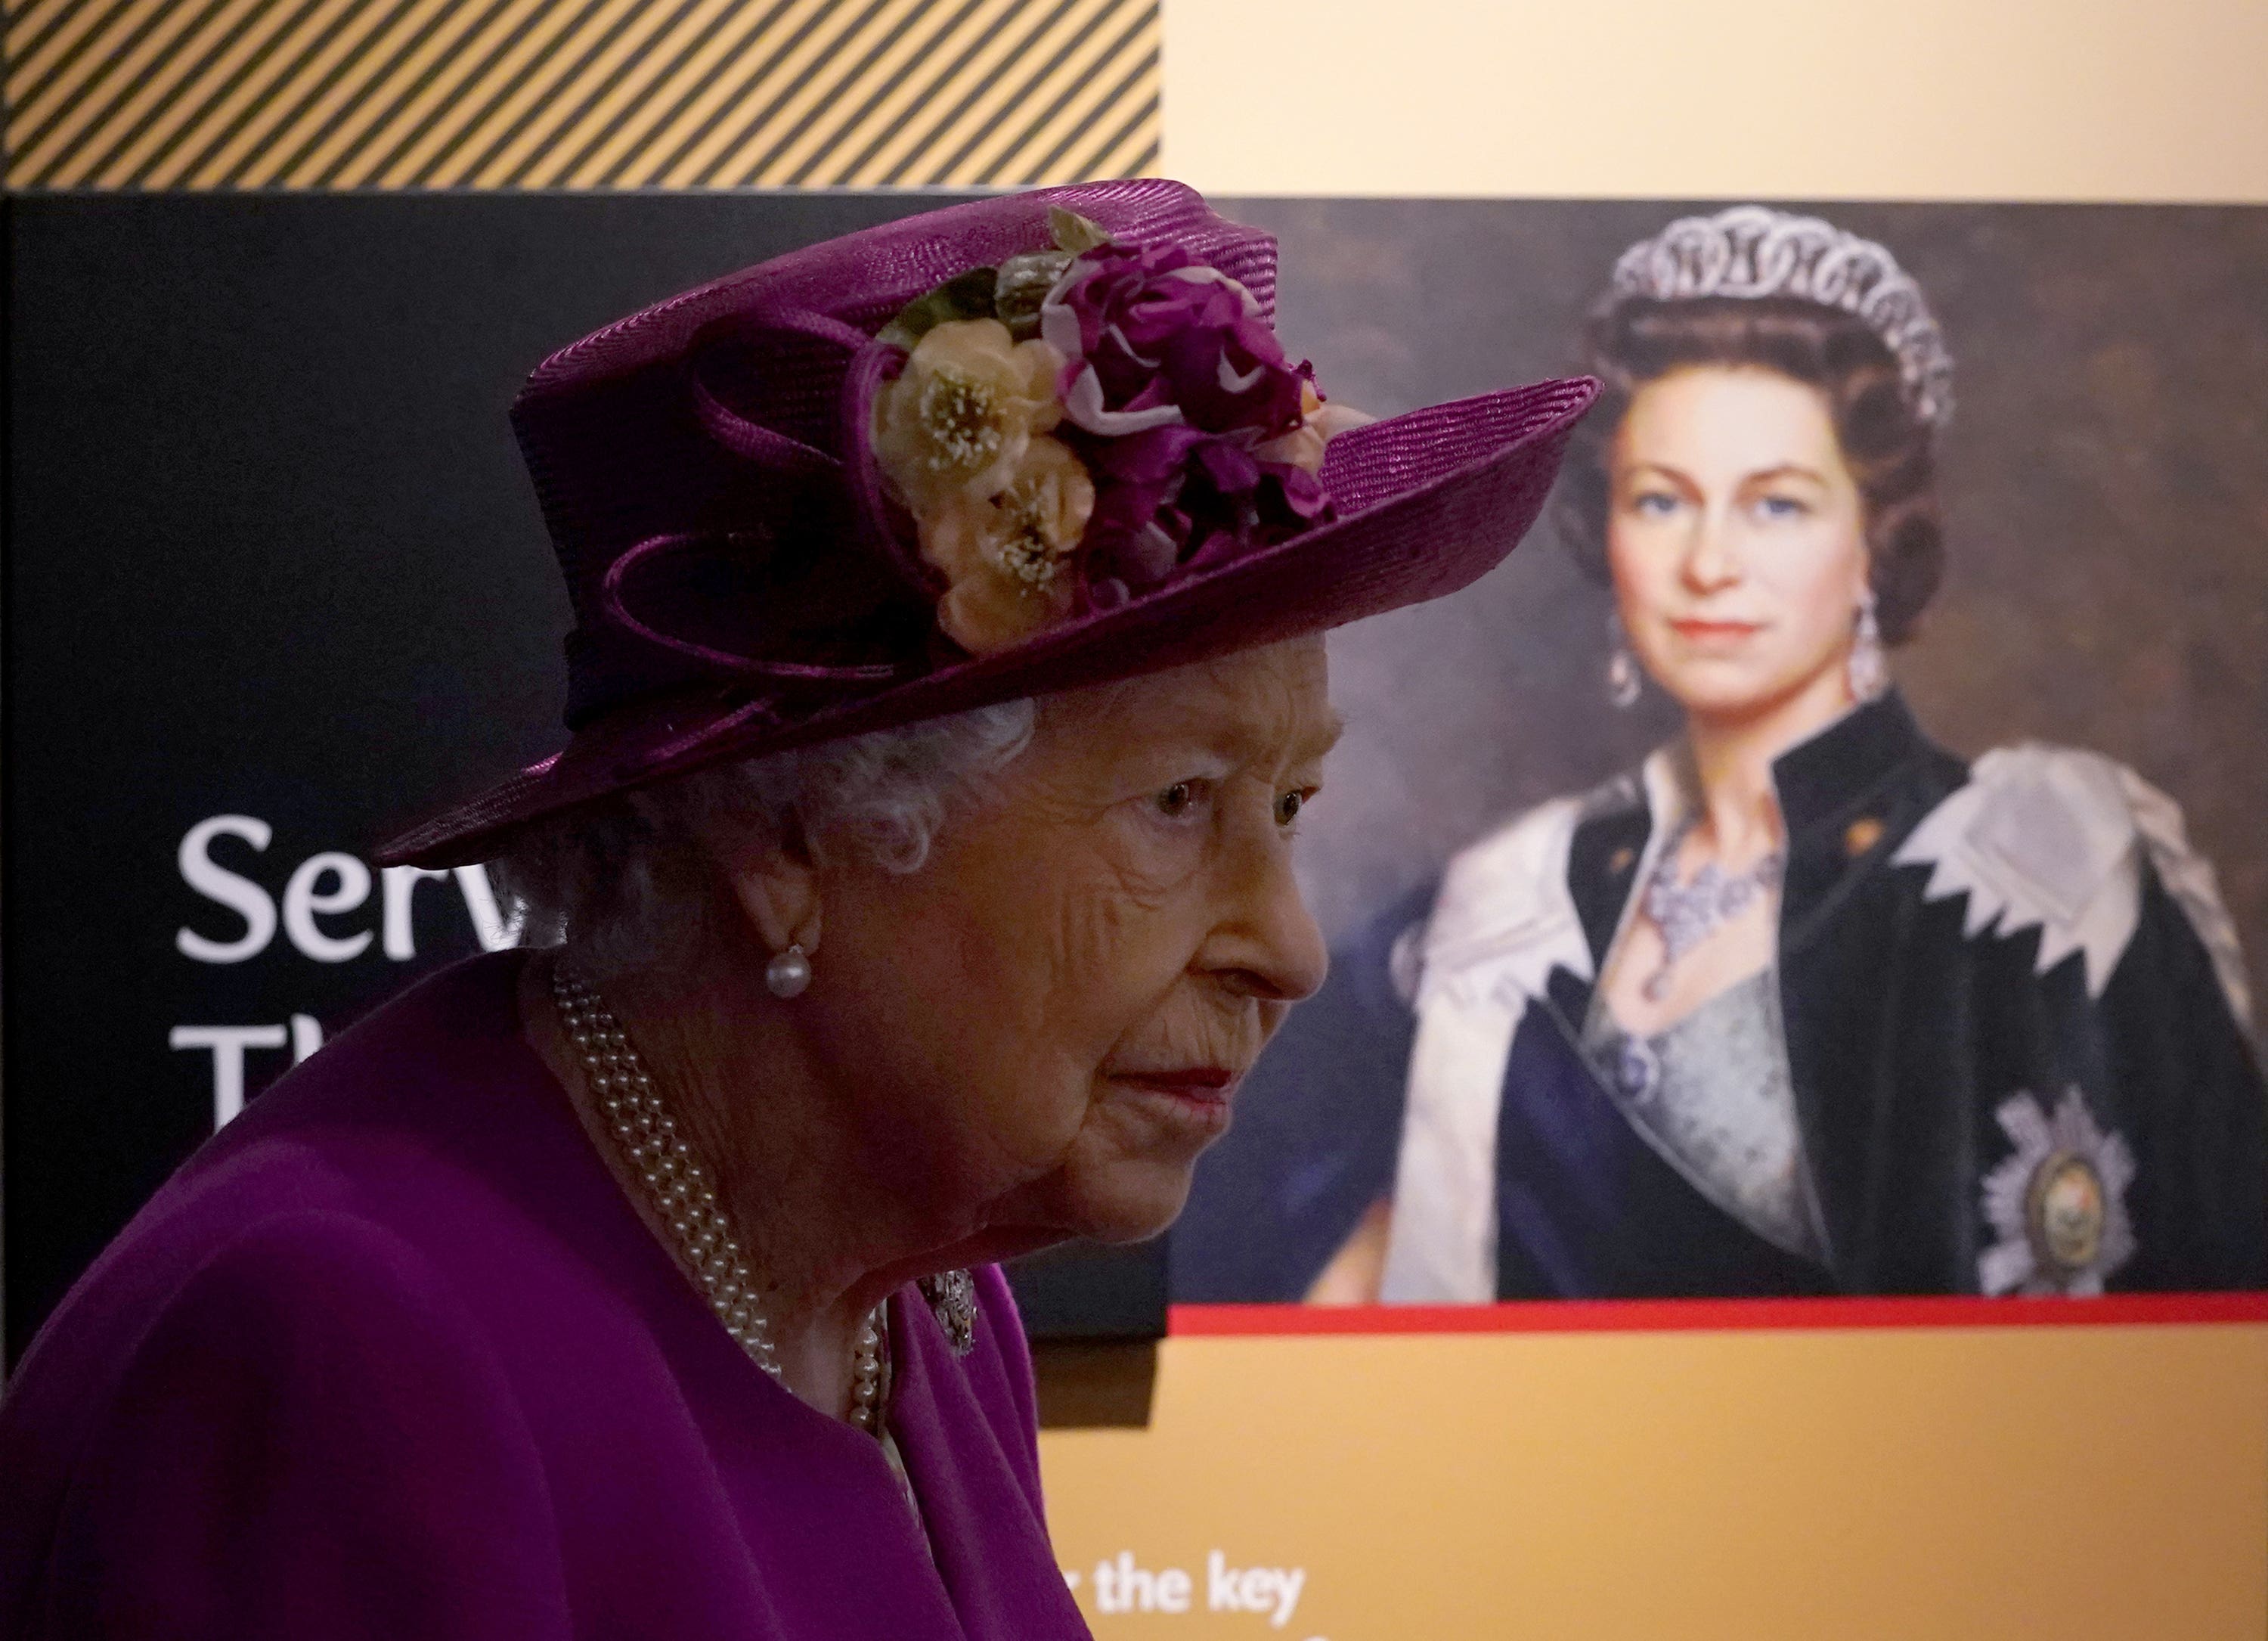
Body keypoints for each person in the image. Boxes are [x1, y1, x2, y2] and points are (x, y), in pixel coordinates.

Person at [0, 181, 1593, 1637]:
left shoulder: (918, 1290)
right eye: (1179, 804)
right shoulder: (344, 1351)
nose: (1292, 946)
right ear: (788, 833)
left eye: (1290, 808)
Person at [1206, 205, 2266, 1305]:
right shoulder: (1504, 905)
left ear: (1874, 541)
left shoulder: (2044, 876)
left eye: (1777, 504)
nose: (1709, 562)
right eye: (1662, 500)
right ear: (1606, 529)